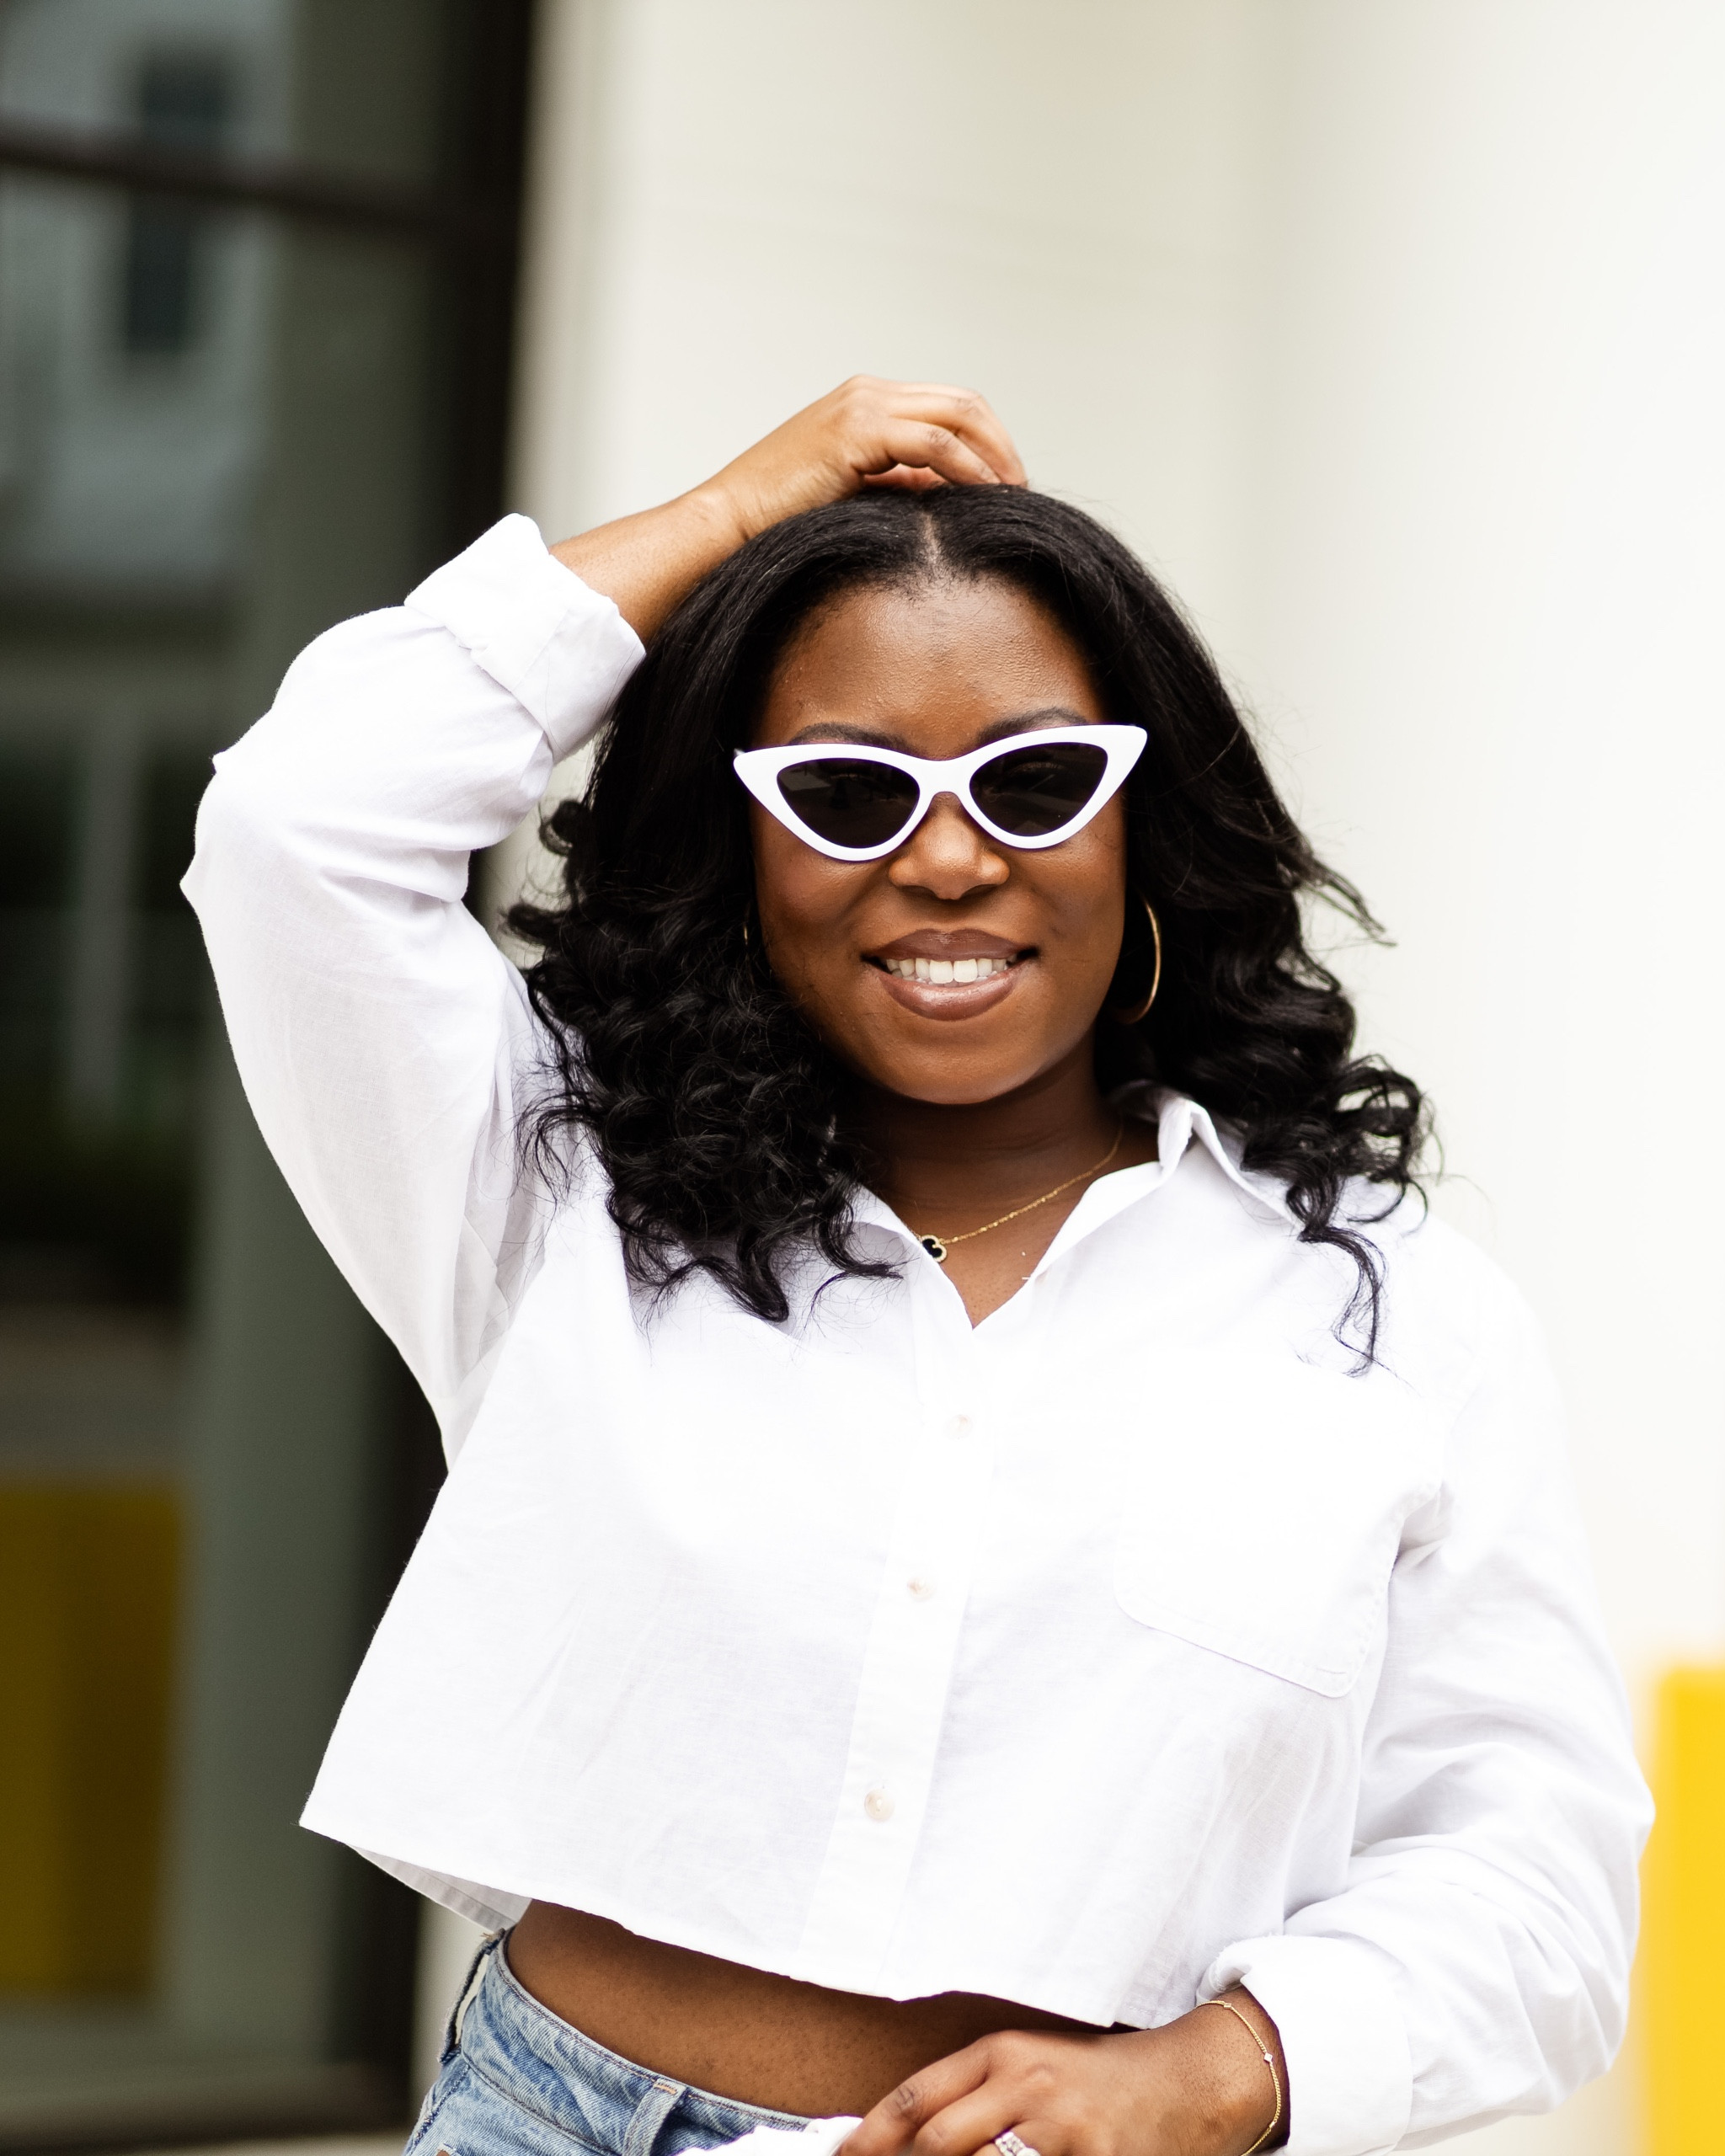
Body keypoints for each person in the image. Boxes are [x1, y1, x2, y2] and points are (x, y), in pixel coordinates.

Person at [184, 380, 1649, 2156]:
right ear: (745, 847)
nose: (948, 856)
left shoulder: (1388, 1315)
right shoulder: (561, 1187)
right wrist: (734, 516)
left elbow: (1536, 1871)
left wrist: (1216, 2069)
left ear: (1146, 826)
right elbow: (298, 824)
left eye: (1034, 780)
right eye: (847, 788)